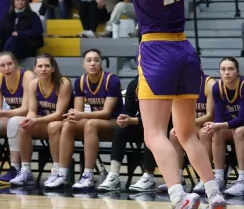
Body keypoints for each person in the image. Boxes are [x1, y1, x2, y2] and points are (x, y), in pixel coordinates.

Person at [55, 0, 226, 207]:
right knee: (186, 132)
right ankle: (214, 191)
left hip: (157, 52)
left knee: (154, 133)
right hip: (185, 50)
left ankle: (178, 194)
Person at [45, 49, 123, 190]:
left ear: (101, 63)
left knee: (90, 124)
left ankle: (88, 175)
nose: (93, 63)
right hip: (95, 124)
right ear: (83, 64)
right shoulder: (80, 81)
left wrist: (81, 115)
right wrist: (72, 114)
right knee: (69, 123)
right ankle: (62, 174)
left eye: (96, 60)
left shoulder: (111, 80)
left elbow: (106, 113)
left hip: (115, 124)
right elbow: (78, 113)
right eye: (89, 60)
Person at [7, 53, 72, 186]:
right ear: (35, 69)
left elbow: (59, 114)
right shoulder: (33, 84)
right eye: (40, 66)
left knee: (53, 126)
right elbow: (32, 111)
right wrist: (29, 121)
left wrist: (36, 121)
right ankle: (26, 171)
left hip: (64, 123)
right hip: (44, 121)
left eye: (47, 66)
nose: (43, 69)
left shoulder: (63, 83)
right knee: (24, 125)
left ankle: (56, 170)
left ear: (53, 68)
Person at [203, 57, 244, 196]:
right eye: (223, 69)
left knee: (238, 131)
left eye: (230, 69)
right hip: (236, 126)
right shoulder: (217, 87)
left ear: (237, 72)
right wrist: (216, 125)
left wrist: (219, 125)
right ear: (219, 72)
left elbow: (240, 119)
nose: (227, 73)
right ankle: (219, 177)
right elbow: (219, 117)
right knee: (217, 132)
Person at [97, 76, 159, 192]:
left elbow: (158, 118)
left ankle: (149, 177)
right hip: (141, 124)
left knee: (150, 132)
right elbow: (129, 111)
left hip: (162, 126)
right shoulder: (134, 84)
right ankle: (114, 175)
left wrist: (133, 120)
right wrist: (124, 119)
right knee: (120, 129)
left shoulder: (162, 83)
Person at [167, 70, 215, 194]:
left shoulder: (209, 84)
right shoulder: (179, 84)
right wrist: (181, 126)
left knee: (205, 133)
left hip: (211, 124)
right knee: (173, 134)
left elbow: (210, 115)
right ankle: (179, 178)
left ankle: (205, 179)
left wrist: (186, 124)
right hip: (193, 124)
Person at [0, 52, 34, 184]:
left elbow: (25, 110)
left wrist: (2, 113)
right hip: (15, 117)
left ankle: (15, 167)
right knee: (13, 121)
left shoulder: (27, 76)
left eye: (9, 64)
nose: (6, 68)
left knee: (14, 122)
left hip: (35, 116)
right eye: (2, 65)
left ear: (16, 64)